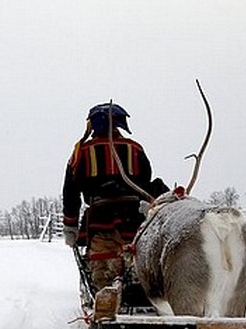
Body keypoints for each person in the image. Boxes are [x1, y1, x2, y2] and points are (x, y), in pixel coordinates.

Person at [62, 102, 168, 290]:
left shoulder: (82, 152)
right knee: (136, 267)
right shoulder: (135, 149)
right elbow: (145, 182)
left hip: (99, 223)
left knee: (103, 273)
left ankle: (106, 301)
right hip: (133, 221)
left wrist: (70, 226)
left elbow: (71, 192)